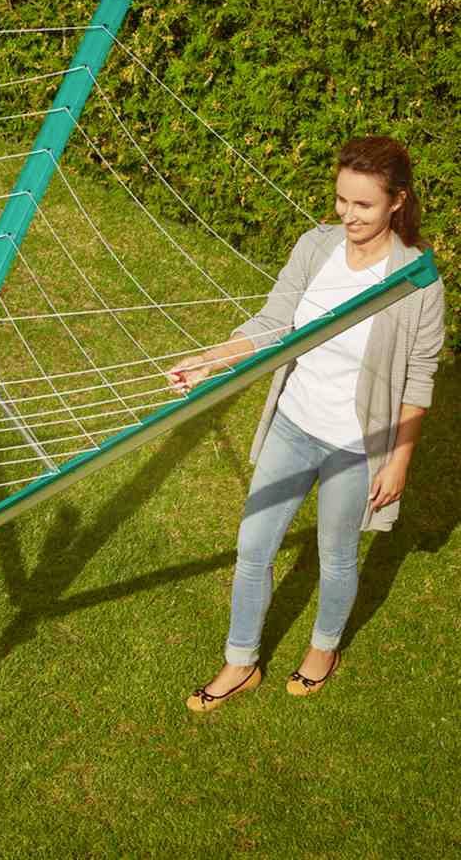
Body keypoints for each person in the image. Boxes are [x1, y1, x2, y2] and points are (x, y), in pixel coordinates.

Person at [168, 136, 445, 712]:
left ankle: (323, 650)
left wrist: (398, 461)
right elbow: (273, 322)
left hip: (356, 445)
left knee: (337, 554)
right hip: (293, 425)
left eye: (363, 204)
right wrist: (209, 360)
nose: (348, 215)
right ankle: (240, 662)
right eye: (342, 200)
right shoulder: (315, 247)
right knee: (253, 546)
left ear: (397, 201)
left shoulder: (417, 281)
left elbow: (419, 379)